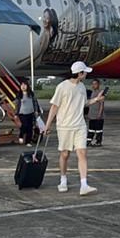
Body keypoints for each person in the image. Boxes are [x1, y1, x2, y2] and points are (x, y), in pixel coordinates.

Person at [43, 61, 104, 196]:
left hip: (80, 125)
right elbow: (54, 106)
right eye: (85, 72)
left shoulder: (82, 87)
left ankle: (84, 185)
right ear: (80, 73)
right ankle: (63, 180)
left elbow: (84, 104)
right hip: (64, 126)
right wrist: (47, 125)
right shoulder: (62, 87)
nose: (86, 74)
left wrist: (96, 100)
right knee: (65, 154)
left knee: (82, 153)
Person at [15, 78, 42, 146]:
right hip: (22, 113)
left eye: (25, 85)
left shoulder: (31, 94)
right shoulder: (19, 95)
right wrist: (16, 113)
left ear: (27, 86)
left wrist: (36, 110)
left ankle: (28, 142)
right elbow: (17, 105)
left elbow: (35, 102)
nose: (23, 86)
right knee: (24, 125)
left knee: (30, 128)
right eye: (22, 85)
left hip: (30, 113)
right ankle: (21, 135)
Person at [86, 79, 106, 146]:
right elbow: (90, 104)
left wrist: (100, 114)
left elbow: (101, 105)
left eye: (95, 84)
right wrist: (89, 113)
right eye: (93, 84)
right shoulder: (92, 93)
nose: (93, 85)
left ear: (98, 85)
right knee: (91, 129)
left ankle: (98, 142)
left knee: (98, 130)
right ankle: (89, 141)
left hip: (98, 116)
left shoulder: (100, 93)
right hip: (92, 115)